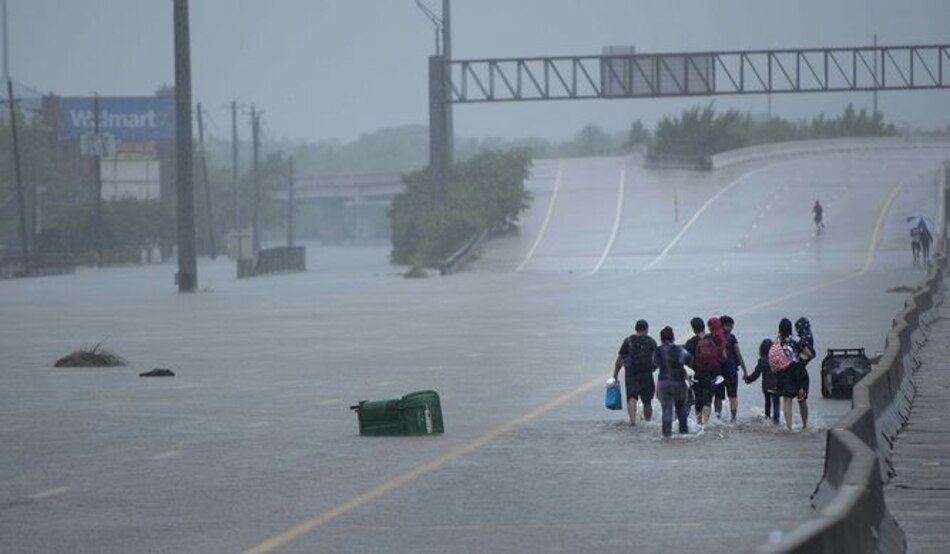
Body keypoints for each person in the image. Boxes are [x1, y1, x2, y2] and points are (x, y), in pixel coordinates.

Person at [611, 319, 658, 426]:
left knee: (632, 397)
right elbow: (657, 359)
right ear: (646, 329)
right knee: (647, 401)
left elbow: (619, 359)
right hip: (646, 374)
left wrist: (615, 375)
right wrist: (653, 368)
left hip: (631, 373)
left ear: (636, 329)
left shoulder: (628, 341)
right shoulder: (651, 341)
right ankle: (648, 422)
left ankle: (632, 422)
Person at [654, 326, 692, 438]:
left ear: (661, 338)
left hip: (665, 383)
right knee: (682, 410)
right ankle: (684, 434)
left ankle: (667, 436)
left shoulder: (658, 350)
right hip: (680, 382)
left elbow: (654, 365)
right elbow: (690, 360)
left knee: (667, 410)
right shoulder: (680, 349)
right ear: (673, 337)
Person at [687, 317, 721, 429]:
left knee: (698, 399)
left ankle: (698, 423)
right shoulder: (713, 339)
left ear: (693, 328)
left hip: (697, 375)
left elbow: (687, 361)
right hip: (711, 374)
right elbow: (720, 356)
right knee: (708, 400)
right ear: (704, 326)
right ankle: (705, 424)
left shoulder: (691, 342)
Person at [716, 315, 749, 423]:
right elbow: (738, 355)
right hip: (731, 370)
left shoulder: (714, 337)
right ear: (724, 325)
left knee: (718, 396)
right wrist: (745, 371)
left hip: (718, 372)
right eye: (730, 325)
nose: (732, 328)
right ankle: (733, 418)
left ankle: (718, 418)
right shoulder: (731, 337)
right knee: (733, 395)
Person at [744, 338, 781, 424]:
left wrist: (747, 379)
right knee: (776, 403)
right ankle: (776, 421)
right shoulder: (776, 359)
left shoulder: (761, 361)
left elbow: (755, 375)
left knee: (767, 403)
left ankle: (767, 418)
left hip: (766, 386)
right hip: (776, 385)